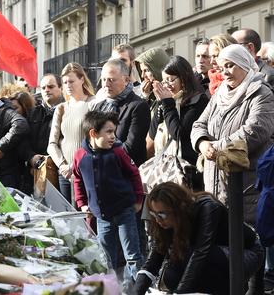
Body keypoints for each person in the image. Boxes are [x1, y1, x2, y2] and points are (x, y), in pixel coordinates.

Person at [191, 44, 274, 225]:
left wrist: (215, 147)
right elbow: (199, 124)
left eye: (230, 65)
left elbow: (255, 131)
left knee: (247, 247)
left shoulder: (261, 93)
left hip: (246, 188)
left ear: (244, 64)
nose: (225, 72)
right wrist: (202, 143)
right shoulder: (219, 93)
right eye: (222, 68)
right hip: (215, 185)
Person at [133, 182, 264, 295]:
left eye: (161, 214)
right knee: (171, 275)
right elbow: (152, 263)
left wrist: (180, 293)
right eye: (153, 214)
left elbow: (200, 254)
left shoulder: (208, 208)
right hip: (212, 255)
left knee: (193, 259)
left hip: (246, 251)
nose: (157, 220)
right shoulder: (165, 222)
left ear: (178, 208)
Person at [73, 111, 144, 289]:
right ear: (93, 133)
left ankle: (138, 288)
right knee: (107, 256)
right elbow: (78, 180)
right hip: (102, 216)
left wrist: (138, 199)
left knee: (132, 254)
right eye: (109, 132)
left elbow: (134, 174)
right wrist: (82, 203)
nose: (113, 136)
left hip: (124, 211)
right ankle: (112, 289)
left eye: (114, 131)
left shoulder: (118, 152)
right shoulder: (80, 156)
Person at [147, 56, 208, 188]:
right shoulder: (166, 101)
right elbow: (151, 135)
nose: (167, 85)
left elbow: (178, 134)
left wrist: (168, 104)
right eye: (164, 81)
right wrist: (161, 104)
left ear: (184, 78)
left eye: (171, 80)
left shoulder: (198, 101)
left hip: (187, 175)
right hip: (164, 172)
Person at [48, 63, 96, 203]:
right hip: (65, 173)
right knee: (69, 218)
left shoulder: (93, 103)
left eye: (71, 81)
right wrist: (62, 165)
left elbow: (94, 140)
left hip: (86, 169)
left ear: (82, 79)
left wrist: (73, 165)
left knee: (86, 216)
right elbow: (52, 143)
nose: (68, 85)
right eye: (65, 82)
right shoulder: (61, 108)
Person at [92, 59, 151, 167]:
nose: (106, 84)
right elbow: (90, 140)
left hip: (125, 174)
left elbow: (131, 147)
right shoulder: (99, 106)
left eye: (111, 80)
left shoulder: (138, 106)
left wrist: (103, 161)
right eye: (103, 79)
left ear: (126, 80)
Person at [21, 74, 64, 195]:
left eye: (50, 86)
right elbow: (23, 140)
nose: (46, 90)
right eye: (43, 87)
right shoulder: (32, 113)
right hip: (36, 170)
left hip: (61, 170)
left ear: (60, 88)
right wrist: (31, 157)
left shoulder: (67, 110)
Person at [135, 47, 170, 114]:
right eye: (141, 71)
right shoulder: (150, 96)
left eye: (147, 70)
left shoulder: (174, 92)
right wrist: (145, 97)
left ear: (158, 68)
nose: (143, 76)